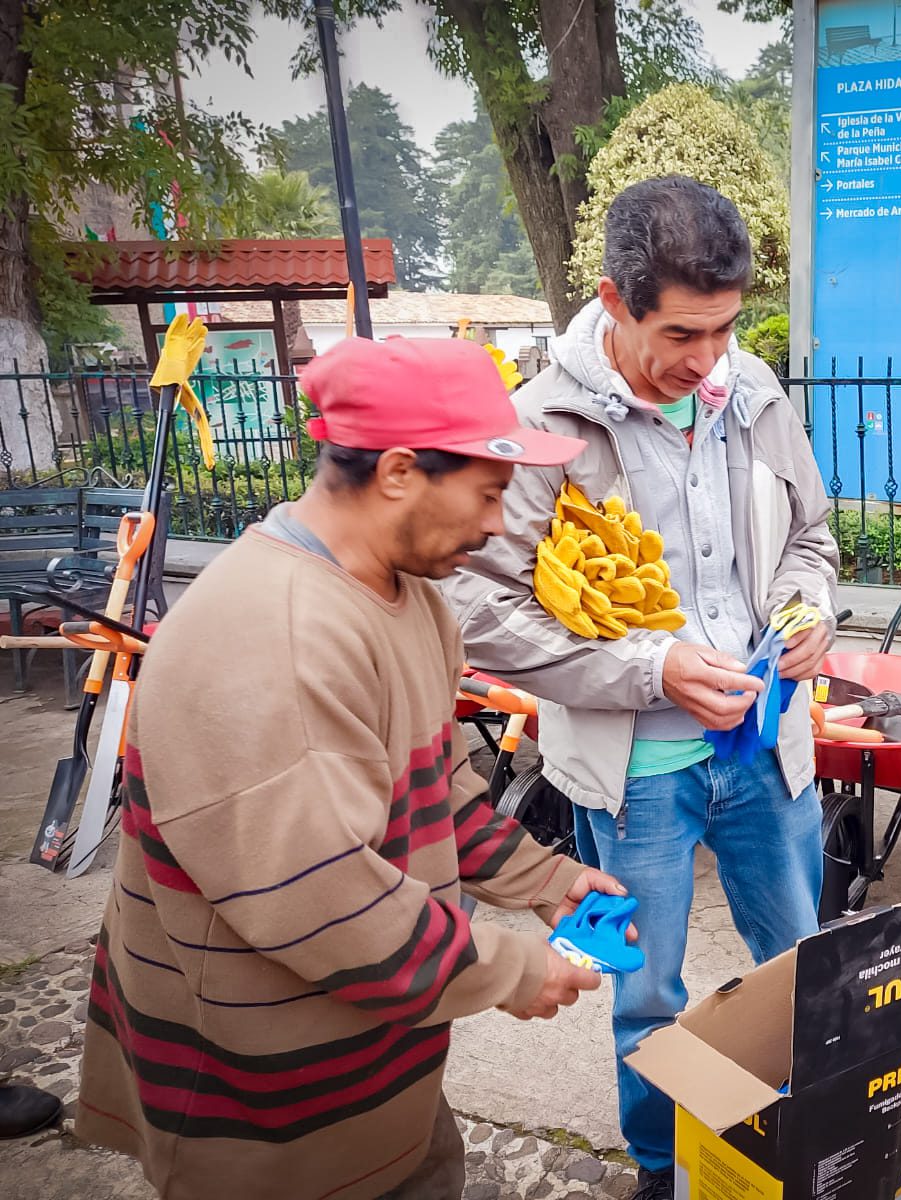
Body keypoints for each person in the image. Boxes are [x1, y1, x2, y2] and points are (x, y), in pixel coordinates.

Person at [76, 336, 630, 1200]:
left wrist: (542, 879)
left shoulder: (412, 602)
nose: (496, 524)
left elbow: (434, 783)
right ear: (401, 472)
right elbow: (321, 900)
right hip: (260, 1104)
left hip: (374, 1063)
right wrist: (512, 970)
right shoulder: (272, 636)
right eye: (488, 493)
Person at [443, 175, 838, 1199]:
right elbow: (479, 612)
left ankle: (803, 1144)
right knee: (641, 991)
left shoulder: (753, 393)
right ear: (614, 302)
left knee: (804, 964)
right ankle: (666, 1172)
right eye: (681, 335)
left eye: (726, 329)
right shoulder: (540, 425)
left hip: (769, 749)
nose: (707, 362)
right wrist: (647, 668)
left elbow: (810, 539)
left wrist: (805, 609)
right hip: (633, 777)